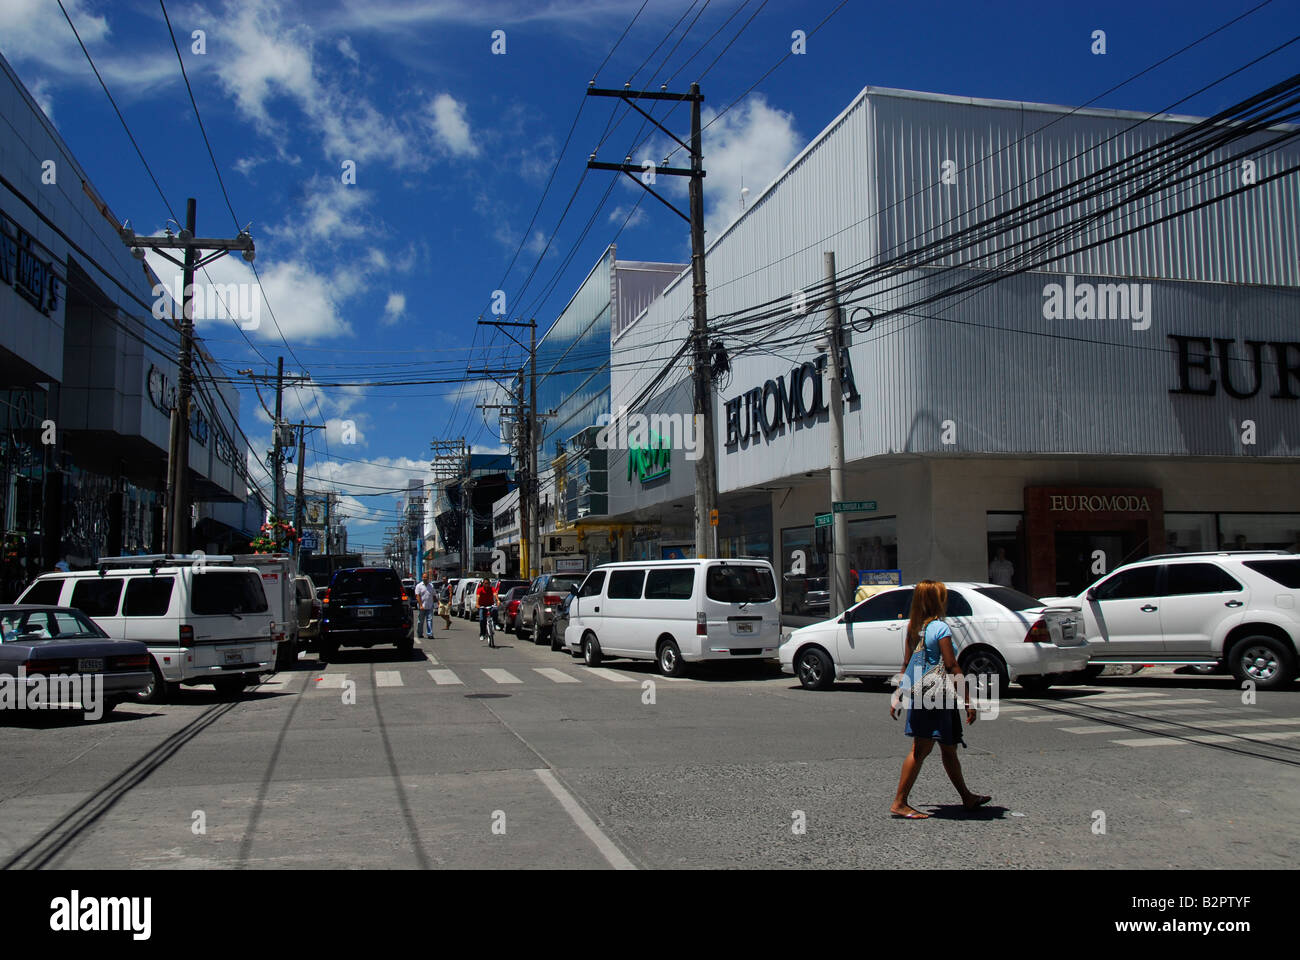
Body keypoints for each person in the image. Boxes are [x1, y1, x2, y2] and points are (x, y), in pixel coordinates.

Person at [889, 579, 990, 819]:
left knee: (948, 747)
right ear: (937, 601)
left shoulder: (913, 628)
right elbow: (952, 665)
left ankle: (966, 796)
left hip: (921, 695)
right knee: (921, 749)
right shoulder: (941, 629)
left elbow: (906, 664)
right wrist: (968, 700)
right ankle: (899, 802)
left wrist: (898, 695)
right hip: (936, 697)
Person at [414, 571, 437, 640]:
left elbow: (434, 595)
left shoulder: (431, 586)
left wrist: (436, 604)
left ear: (428, 578)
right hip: (422, 606)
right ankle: (419, 633)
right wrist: (420, 605)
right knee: (420, 621)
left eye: (426, 577)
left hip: (429, 606)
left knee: (429, 620)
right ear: (422, 578)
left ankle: (430, 634)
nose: (425, 578)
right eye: (424, 577)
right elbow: (417, 596)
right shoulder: (419, 586)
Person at [476, 579, 496, 647]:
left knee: (495, 610)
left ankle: (496, 624)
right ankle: (482, 633)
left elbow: (495, 595)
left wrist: (498, 600)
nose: (487, 585)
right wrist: (477, 604)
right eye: (485, 583)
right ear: (483, 584)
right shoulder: (480, 590)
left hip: (490, 605)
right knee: (482, 619)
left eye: (488, 583)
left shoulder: (492, 589)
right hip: (482, 606)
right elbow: (478, 598)